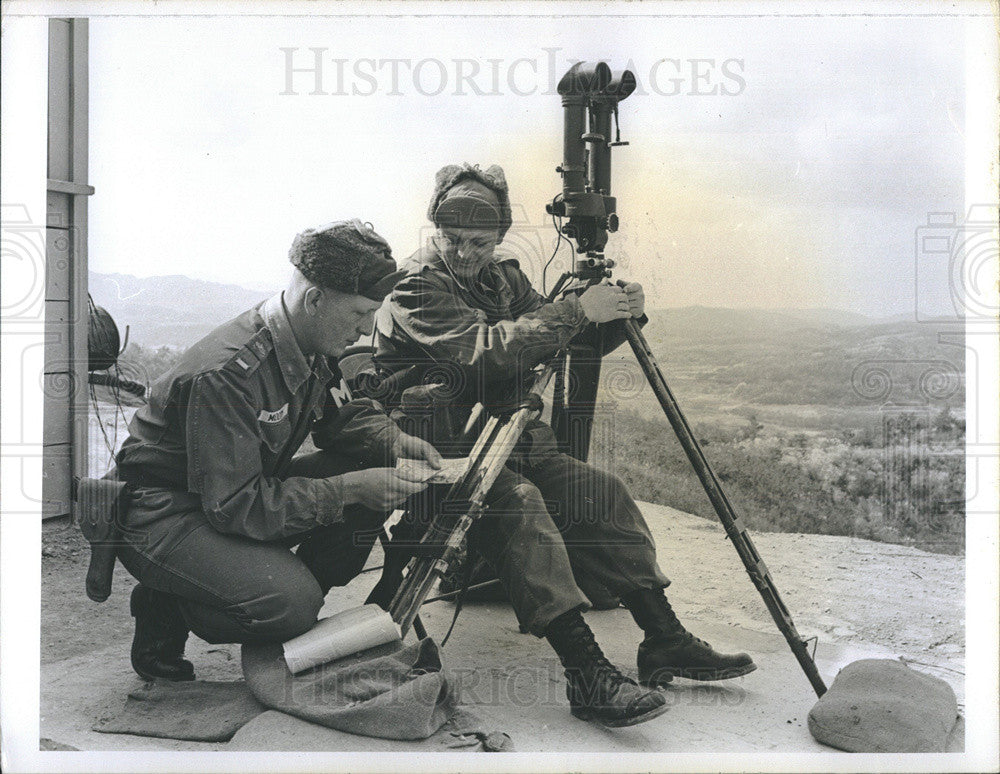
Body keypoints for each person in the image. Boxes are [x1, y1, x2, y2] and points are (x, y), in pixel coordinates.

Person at [373, 164, 756, 728]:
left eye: (477, 242)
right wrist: (577, 308)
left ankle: (663, 635)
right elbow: (486, 352)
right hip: (436, 452)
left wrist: (619, 312)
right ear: (436, 231)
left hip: (504, 441)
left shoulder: (501, 278)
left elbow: (560, 340)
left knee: (598, 492)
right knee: (519, 505)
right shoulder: (414, 285)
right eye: (451, 240)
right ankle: (587, 674)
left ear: (500, 236)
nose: (464, 253)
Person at [114, 219, 442, 681]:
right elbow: (236, 507)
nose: (366, 329)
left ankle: (262, 586)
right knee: (290, 603)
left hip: (225, 494)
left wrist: (394, 440)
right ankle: (170, 604)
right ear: (315, 299)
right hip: (163, 512)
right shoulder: (228, 374)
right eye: (360, 314)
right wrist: (348, 490)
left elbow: (338, 416)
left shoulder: (310, 338)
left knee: (367, 468)